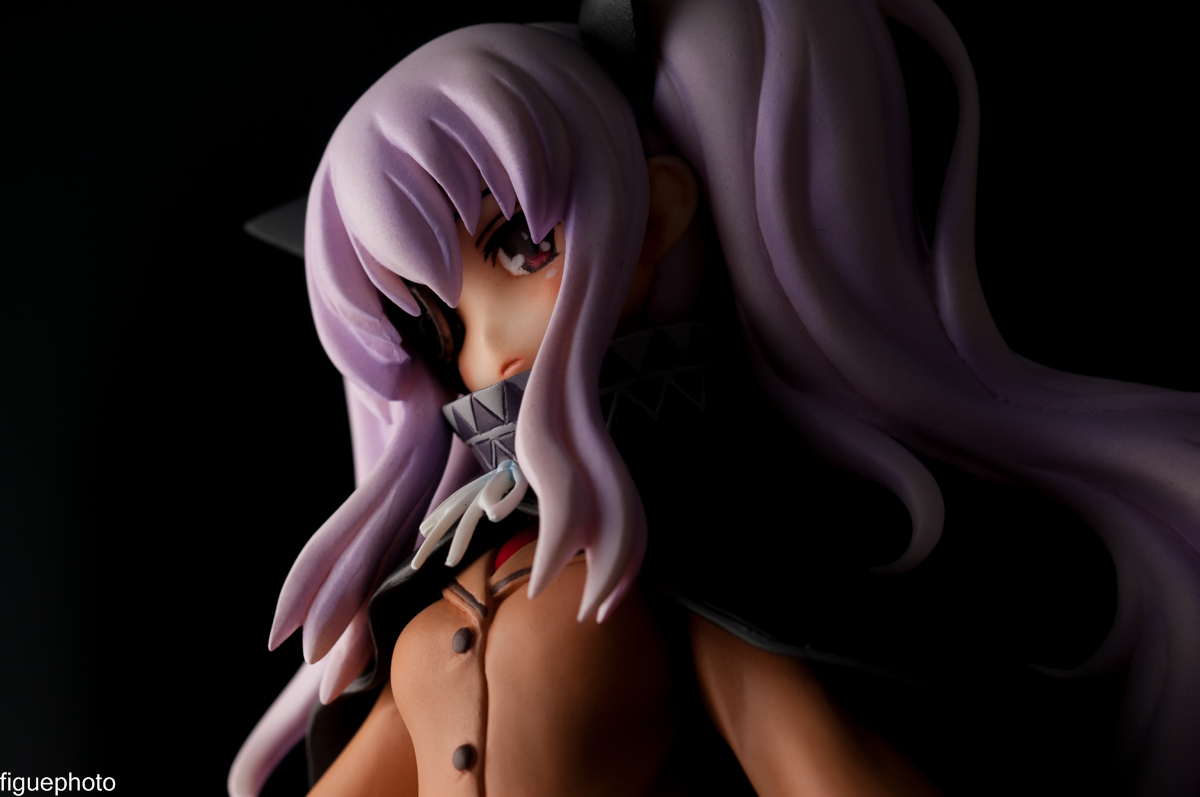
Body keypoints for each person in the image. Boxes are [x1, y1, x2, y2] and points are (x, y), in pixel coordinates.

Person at [230, 2, 1200, 795]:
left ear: (655, 214)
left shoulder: (692, 544)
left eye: (522, 248)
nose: (486, 347)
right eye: (439, 327)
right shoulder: (448, 569)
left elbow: (815, 762)